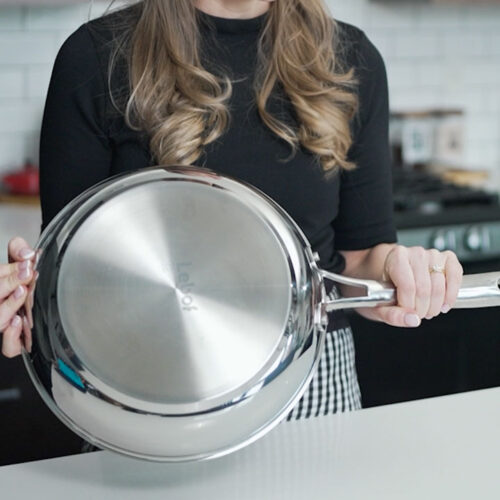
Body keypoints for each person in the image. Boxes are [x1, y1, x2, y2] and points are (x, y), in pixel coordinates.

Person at [0, 0, 462, 419]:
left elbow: (361, 260)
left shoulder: (350, 58)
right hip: (144, 392)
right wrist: (21, 300)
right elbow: (68, 280)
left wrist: (405, 272)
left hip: (313, 390)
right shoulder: (96, 56)